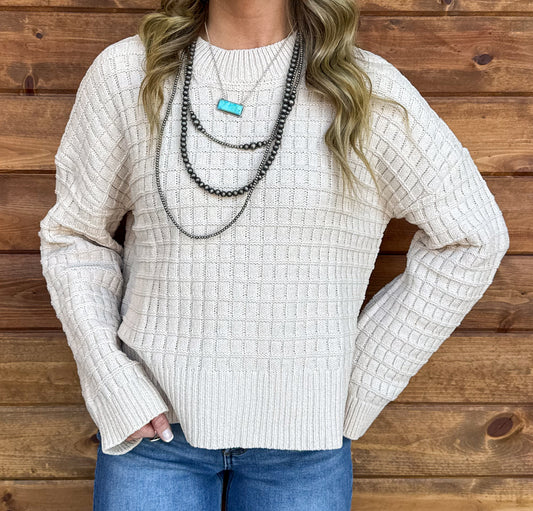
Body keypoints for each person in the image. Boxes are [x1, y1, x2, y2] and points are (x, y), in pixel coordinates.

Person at [38, 0, 510, 509]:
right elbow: (75, 237)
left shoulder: (364, 89)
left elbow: (472, 237)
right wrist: (113, 381)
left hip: (304, 450)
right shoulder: (129, 73)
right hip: (153, 439)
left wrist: (363, 380)